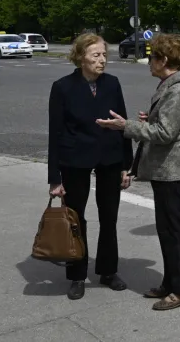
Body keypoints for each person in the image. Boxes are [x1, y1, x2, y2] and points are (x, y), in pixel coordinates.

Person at [97, 33, 180, 311]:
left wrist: (126, 126)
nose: (148, 62)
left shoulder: (178, 89)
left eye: (152, 56)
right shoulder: (173, 85)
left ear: (164, 60)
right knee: (166, 230)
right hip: (167, 169)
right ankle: (171, 282)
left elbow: (166, 134)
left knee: (173, 231)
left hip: (173, 170)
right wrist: (152, 119)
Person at [47, 33, 133, 300]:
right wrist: (55, 178)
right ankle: (77, 274)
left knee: (109, 217)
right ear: (81, 57)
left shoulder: (112, 84)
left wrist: (126, 166)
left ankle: (108, 271)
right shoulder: (62, 87)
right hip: (75, 161)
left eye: (104, 55)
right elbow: (55, 134)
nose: (102, 60)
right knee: (75, 219)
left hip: (110, 159)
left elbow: (123, 124)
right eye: (96, 55)